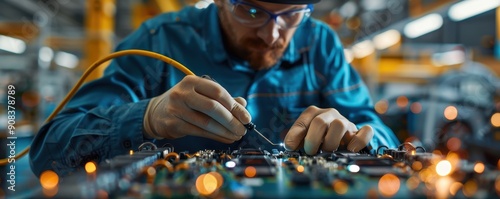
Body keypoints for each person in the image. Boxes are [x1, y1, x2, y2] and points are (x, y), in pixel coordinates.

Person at [30, 0, 399, 177]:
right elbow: (48, 153)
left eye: (291, 15)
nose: (272, 34)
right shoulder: (160, 42)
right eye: (252, 12)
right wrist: (145, 118)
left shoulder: (320, 45)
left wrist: (356, 135)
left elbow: (379, 133)